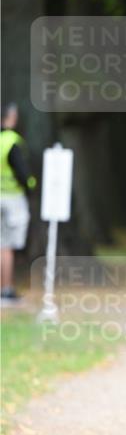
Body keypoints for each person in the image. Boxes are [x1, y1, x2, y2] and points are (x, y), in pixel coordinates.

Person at [1, 104, 36, 302]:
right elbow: (23, 173)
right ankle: (6, 289)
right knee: (6, 245)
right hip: (11, 199)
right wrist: (32, 185)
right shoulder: (11, 142)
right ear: (11, 117)